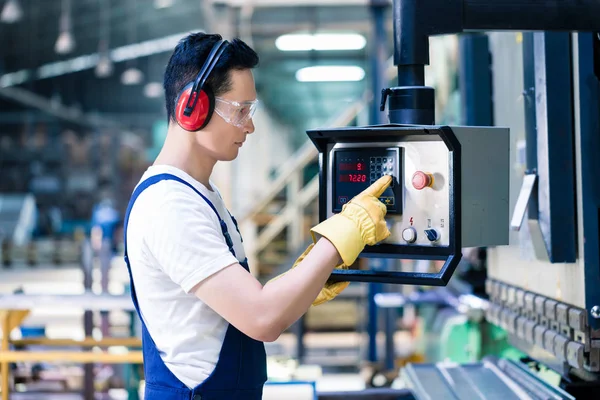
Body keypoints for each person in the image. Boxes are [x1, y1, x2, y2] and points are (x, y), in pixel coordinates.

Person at [123, 32, 392, 400]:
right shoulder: (169, 205)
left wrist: (306, 280)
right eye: (240, 111)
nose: (249, 126)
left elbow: (236, 305)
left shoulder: (200, 194)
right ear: (192, 107)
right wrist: (340, 238)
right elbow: (262, 319)